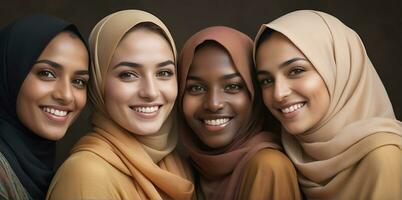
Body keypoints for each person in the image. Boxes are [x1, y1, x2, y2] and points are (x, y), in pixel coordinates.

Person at [46, 10, 194, 200]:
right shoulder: (86, 174)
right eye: (128, 74)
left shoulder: (176, 165)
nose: (150, 92)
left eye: (164, 73)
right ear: (98, 83)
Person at [254, 10, 402, 199]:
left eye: (296, 70)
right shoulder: (280, 151)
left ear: (339, 69)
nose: (278, 93)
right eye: (266, 81)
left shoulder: (383, 156)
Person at [179, 26, 301, 200]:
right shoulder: (181, 170)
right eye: (196, 88)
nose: (214, 104)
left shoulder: (269, 167)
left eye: (232, 86)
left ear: (255, 94)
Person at [0, 14, 89, 200]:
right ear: (10, 73)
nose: (66, 95)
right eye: (47, 73)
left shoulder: (42, 170)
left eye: (79, 81)